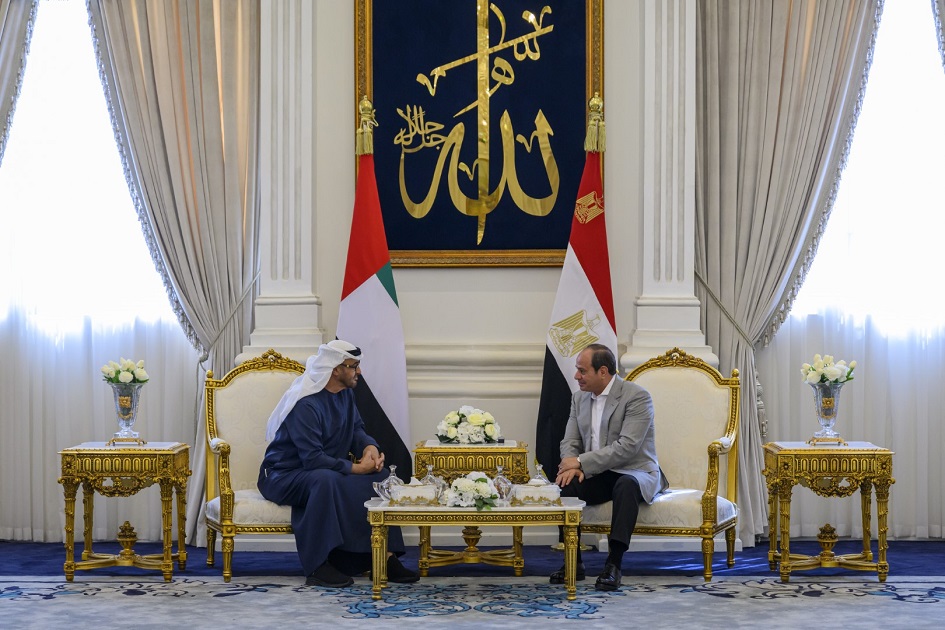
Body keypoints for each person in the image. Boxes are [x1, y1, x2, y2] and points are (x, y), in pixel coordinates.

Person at [258, 339, 419, 588]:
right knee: (325, 480)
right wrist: (355, 468)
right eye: (354, 366)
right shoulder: (306, 404)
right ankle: (319, 565)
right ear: (336, 369)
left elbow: (356, 430)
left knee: (382, 477)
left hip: (322, 469)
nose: (359, 372)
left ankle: (383, 558)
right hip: (283, 475)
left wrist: (370, 450)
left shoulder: (345, 396)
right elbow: (311, 459)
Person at [551, 343, 669, 591]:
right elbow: (570, 441)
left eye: (582, 371)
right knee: (565, 484)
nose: (576, 376)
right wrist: (571, 467)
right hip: (598, 472)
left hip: (635, 471)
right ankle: (573, 562)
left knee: (626, 485)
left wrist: (581, 462)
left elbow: (627, 447)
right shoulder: (579, 397)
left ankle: (614, 564)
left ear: (603, 371)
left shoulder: (637, 396)